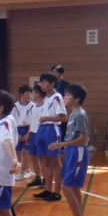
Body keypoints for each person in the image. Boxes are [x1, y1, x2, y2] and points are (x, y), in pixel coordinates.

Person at [48, 84, 89, 216]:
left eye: (67, 95)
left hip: (78, 152)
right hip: (72, 151)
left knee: (67, 186)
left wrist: (61, 144)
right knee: (74, 187)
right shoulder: (73, 114)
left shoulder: (79, 114)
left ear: (76, 99)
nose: (64, 97)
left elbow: (83, 138)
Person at [33, 72, 67, 202]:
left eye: (44, 82)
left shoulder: (57, 97)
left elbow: (64, 118)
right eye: (40, 82)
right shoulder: (47, 98)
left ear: (52, 83)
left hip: (51, 129)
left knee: (55, 162)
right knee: (46, 161)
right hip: (42, 129)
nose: (42, 85)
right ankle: (48, 189)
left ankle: (57, 192)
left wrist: (47, 118)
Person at [11, 85, 34, 181]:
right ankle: (26, 170)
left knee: (25, 151)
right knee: (18, 152)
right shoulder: (14, 106)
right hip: (17, 130)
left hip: (28, 129)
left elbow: (33, 121)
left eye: (30, 93)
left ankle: (22, 173)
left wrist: (28, 133)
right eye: (28, 93)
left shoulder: (32, 106)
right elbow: (11, 121)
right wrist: (17, 134)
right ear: (21, 94)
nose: (30, 95)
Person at [26, 85, 45, 188]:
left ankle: (46, 179)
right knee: (33, 156)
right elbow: (31, 121)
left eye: (32, 93)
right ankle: (38, 178)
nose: (31, 95)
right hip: (33, 134)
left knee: (41, 158)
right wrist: (28, 133)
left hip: (40, 134)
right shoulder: (33, 106)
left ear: (37, 94)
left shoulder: (45, 106)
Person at [52, 65, 69, 141]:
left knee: (61, 132)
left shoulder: (66, 84)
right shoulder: (51, 84)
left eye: (55, 72)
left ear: (61, 74)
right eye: (52, 72)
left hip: (61, 111)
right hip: (51, 111)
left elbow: (67, 98)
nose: (53, 74)